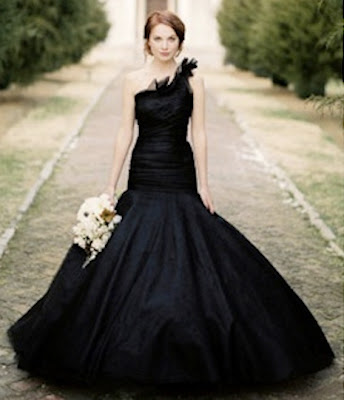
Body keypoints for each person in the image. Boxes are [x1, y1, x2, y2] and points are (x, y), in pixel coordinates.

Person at [7, 9, 334, 388]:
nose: (165, 45)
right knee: (125, 256)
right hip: (144, 172)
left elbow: (201, 134)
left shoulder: (193, 80)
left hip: (178, 173)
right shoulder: (131, 81)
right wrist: (109, 187)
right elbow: (123, 134)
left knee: (194, 249)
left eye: (171, 39)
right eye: (158, 38)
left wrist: (206, 185)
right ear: (147, 41)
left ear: (180, 42)